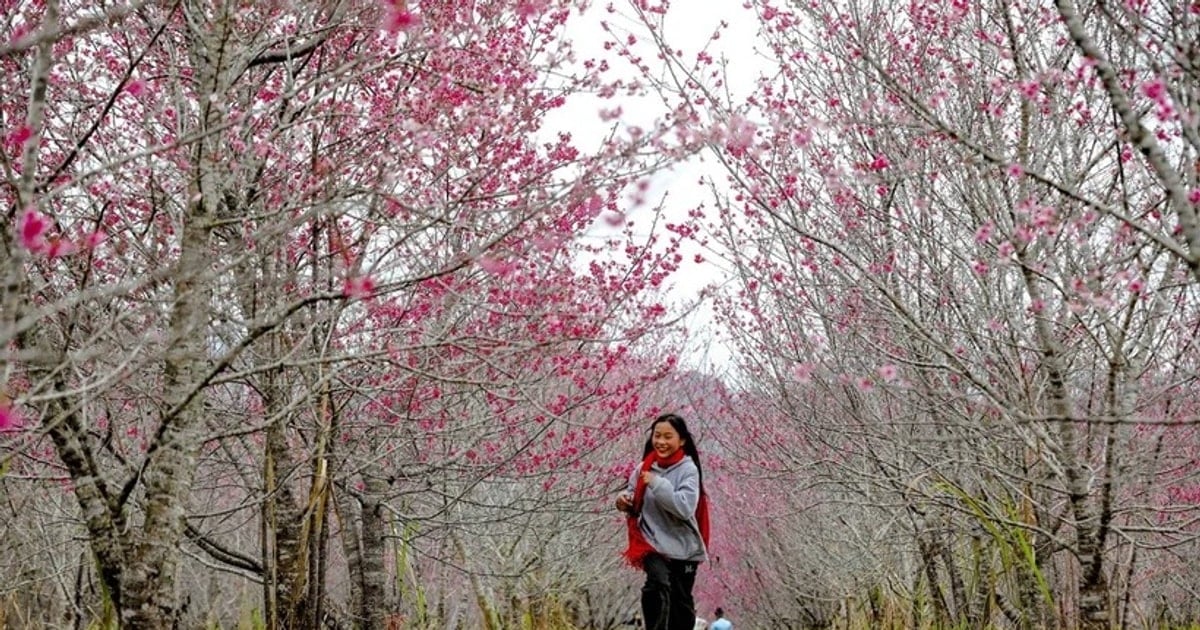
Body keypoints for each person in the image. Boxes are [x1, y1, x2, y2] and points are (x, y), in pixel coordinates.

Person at [615, 413, 710, 630]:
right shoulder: (643, 468)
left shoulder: (688, 470)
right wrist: (622, 500)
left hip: (683, 548)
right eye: (657, 436)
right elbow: (632, 493)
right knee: (657, 584)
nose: (661, 442)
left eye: (668, 436)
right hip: (651, 543)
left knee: (680, 603)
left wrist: (657, 483)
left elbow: (685, 508)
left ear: (682, 440)